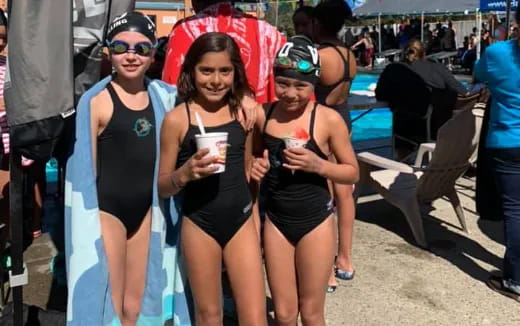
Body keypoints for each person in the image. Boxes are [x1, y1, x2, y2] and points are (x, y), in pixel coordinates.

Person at [65, 12, 191, 325]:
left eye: (141, 48)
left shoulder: (165, 96)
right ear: (108, 51)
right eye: (121, 47)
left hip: (148, 210)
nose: (131, 55)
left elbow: (206, 105)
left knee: (136, 305)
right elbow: (84, 174)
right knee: (112, 298)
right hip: (109, 212)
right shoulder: (97, 102)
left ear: (153, 54)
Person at [158, 32, 267, 325]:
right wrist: (185, 173)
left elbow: (248, 167)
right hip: (200, 223)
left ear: (235, 73)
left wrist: (257, 167)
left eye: (225, 71)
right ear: (192, 71)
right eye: (206, 70)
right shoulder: (177, 120)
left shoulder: (244, 112)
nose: (216, 80)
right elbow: (163, 185)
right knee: (209, 315)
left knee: (255, 316)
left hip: (241, 220)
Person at [252, 35, 358, 326]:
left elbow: (352, 172)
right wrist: (255, 166)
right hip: (276, 222)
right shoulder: (264, 115)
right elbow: (251, 158)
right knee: (285, 314)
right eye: (283, 83)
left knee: (311, 313)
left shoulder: (327, 120)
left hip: (316, 223)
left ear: (314, 85)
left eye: (301, 85)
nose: (291, 93)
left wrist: (319, 165)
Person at [474, 7, 520, 302]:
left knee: (515, 212)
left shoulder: (498, 53)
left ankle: (516, 280)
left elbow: (478, 75)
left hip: (508, 141)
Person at [312, 0, 358, 293]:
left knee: (322, 197)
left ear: (318, 24)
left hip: (323, 124)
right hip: (343, 119)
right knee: (344, 194)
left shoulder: (320, 56)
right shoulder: (349, 54)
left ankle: (326, 269)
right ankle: (345, 259)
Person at [162, 0, 285, 104]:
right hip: (256, 123)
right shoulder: (269, 33)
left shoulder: (184, 30)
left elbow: (171, 90)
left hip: (199, 123)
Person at [376, 39, 468, 160]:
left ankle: (403, 158)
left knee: (402, 114)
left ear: (404, 53)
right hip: (443, 126)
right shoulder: (438, 66)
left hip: (414, 126)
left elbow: (380, 94)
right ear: (424, 53)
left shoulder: (395, 69)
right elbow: (461, 90)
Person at [0, 8, 45, 248]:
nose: (0, 42)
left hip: (12, 139)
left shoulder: (12, 65)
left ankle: (12, 237)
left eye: (3, 38)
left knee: (11, 196)